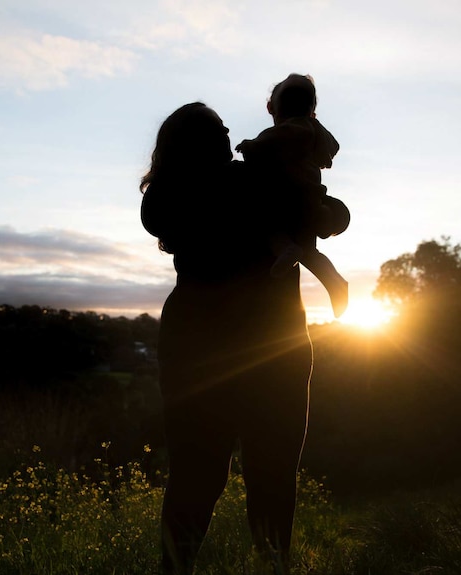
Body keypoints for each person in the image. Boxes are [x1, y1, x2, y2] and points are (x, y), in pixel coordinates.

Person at [140, 102, 314, 574]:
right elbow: (319, 213)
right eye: (218, 129)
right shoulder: (233, 183)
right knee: (239, 471)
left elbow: (323, 214)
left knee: (230, 471)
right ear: (193, 140)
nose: (229, 132)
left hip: (224, 341)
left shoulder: (171, 194)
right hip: (257, 342)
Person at [236, 73, 350, 318]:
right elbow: (333, 147)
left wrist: (249, 146)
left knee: (269, 227)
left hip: (285, 198)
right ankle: (335, 282)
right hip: (311, 200)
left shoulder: (289, 130)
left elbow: (265, 143)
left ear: (270, 108)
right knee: (310, 251)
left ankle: (285, 249)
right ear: (312, 111)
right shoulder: (312, 131)